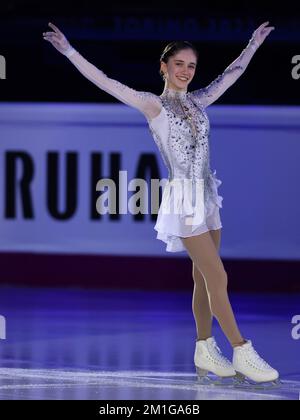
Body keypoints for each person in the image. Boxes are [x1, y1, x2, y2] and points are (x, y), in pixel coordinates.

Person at [43, 21, 279, 386]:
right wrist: (70, 52)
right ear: (164, 67)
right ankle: (241, 349)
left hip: (207, 197)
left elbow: (232, 74)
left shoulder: (200, 101)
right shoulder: (153, 106)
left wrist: (253, 43)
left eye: (191, 66)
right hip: (183, 201)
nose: (186, 72)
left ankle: (204, 348)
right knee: (219, 276)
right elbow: (106, 82)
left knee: (203, 279)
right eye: (179, 64)